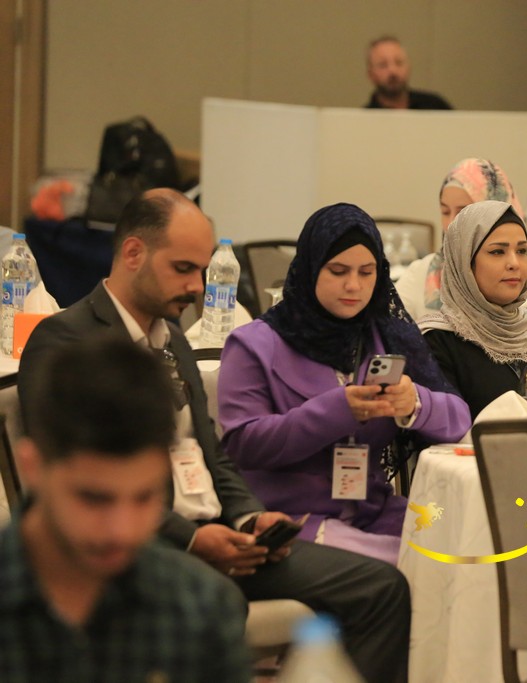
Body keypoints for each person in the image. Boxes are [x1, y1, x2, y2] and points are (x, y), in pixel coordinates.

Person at [17, 189, 411, 683]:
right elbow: (79, 481)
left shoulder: (173, 340)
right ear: (134, 253)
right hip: (139, 539)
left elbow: (213, 456)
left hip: (224, 535)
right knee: (215, 600)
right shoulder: (68, 339)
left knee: (382, 588)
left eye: (202, 270)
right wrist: (192, 539)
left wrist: (250, 517)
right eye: (183, 268)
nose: (198, 286)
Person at [218, 203, 471, 564]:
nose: (354, 285)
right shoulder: (254, 344)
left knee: (465, 551)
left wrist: (414, 403)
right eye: (338, 271)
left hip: (373, 511)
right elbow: (243, 444)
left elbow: (459, 419)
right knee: (407, 567)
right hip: (293, 520)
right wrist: (338, 409)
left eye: (367, 272)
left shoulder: (385, 335)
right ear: (310, 269)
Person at [1, 337, 250, 681]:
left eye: (145, 497)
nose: (122, 530)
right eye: (93, 499)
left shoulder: (200, 608)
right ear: (32, 468)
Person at [419, 200, 527, 418]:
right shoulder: (437, 341)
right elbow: (444, 426)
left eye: (521, 250)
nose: (514, 263)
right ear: (465, 263)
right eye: (497, 252)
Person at [395, 157, 527, 327]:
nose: (451, 224)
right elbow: (389, 334)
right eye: (445, 212)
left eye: (463, 212)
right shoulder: (422, 272)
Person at [364, 36, 452, 110]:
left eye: (399, 62)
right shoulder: (363, 118)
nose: (393, 71)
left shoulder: (435, 106)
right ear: (371, 74)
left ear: (409, 68)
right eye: (383, 65)